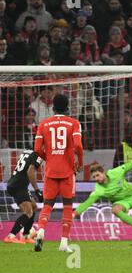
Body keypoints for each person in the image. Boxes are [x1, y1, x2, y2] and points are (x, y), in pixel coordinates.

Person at [33, 94, 84, 253]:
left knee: (47, 205)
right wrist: (79, 163)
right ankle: (63, 242)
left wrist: (47, 157)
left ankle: (41, 230)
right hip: (68, 171)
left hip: (51, 171)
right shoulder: (74, 123)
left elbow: (36, 149)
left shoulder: (43, 124)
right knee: (68, 205)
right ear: (67, 107)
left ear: (53, 107)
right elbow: (78, 146)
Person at [73, 159, 132, 240]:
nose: (96, 179)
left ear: (103, 173)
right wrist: (74, 213)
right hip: (121, 202)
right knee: (115, 210)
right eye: (93, 177)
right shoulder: (99, 190)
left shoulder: (116, 172)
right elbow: (86, 204)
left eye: (97, 175)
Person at [4, 150, 43, 244]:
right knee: (28, 212)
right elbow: (30, 172)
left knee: (34, 207)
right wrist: (37, 190)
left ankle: (26, 236)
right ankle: (10, 236)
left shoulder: (27, 152)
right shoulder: (39, 155)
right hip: (19, 185)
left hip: (18, 183)